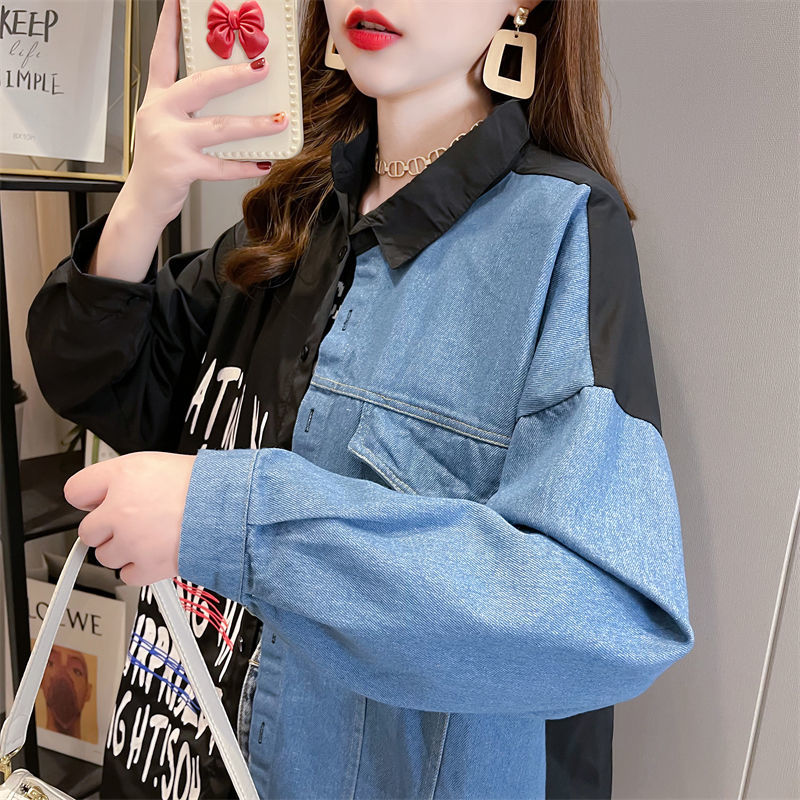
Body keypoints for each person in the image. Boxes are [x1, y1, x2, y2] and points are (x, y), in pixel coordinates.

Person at [26, 0, 695, 797]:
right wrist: (145, 201)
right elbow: (96, 378)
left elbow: (603, 616)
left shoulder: (558, 231)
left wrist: (231, 519)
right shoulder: (296, 211)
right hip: (163, 761)